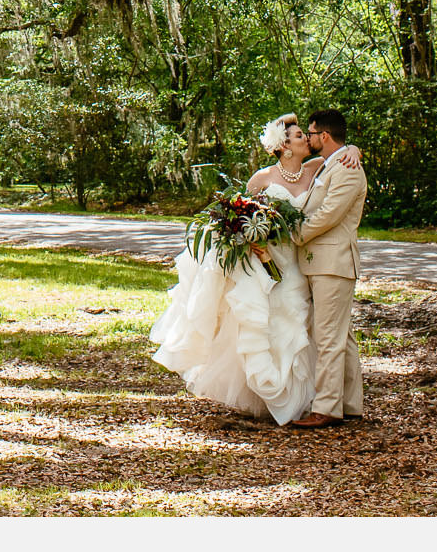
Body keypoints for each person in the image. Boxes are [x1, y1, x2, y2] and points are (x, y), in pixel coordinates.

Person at [149, 114, 360, 424]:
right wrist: (253, 241)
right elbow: (243, 219)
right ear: (285, 146)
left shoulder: (316, 169)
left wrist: (354, 147)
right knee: (271, 322)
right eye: (301, 135)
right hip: (271, 260)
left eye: (309, 134)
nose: (308, 139)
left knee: (306, 326)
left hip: (302, 262)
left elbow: (341, 152)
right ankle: (277, 395)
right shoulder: (262, 179)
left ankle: (316, 400)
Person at [286, 107, 369, 428]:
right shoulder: (331, 163)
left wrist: (296, 234)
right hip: (321, 263)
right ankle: (350, 404)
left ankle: (326, 408)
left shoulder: (347, 168)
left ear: (324, 135)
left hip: (333, 263)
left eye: (311, 132)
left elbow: (330, 214)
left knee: (328, 338)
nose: (308, 137)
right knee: (341, 336)